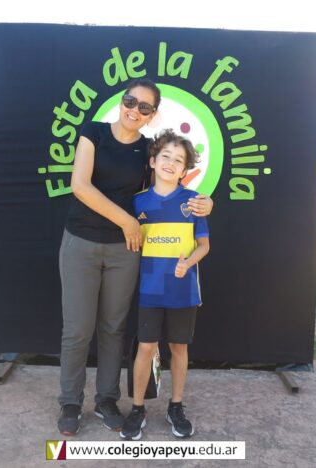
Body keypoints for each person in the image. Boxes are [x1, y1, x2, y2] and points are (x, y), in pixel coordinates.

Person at [57, 79, 213, 436]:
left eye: (145, 107)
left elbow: (168, 187)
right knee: (77, 329)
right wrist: (127, 220)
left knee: (113, 328)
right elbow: (80, 185)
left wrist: (207, 202)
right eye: (131, 101)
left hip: (125, 250)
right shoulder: (93, 132)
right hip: (80, 242)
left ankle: (106, 400)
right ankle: (70, 402)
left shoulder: (147, 150)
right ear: (121, 101)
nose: (135, 110)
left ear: (152, 115)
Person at [120, 129, 210, 441]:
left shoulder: (194, 203)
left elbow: (204, 245)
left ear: (185, 170)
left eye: (179, 160)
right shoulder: (138, 202)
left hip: (183, 290)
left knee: (178, 348)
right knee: (146, 347)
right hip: (150, 289)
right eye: (166, 156)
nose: (171, 163)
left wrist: (189, 262)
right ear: (153, 161)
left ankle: (176, 406)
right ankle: (137, 408)